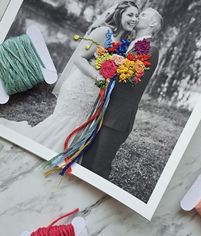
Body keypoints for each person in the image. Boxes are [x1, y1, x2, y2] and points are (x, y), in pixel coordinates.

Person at [0, 1, 139, 153]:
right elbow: (79, 58)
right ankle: (46, 151)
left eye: (137, 16)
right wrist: (97, 76)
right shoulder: (103, 32)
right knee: (66, 121)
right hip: (81, 85)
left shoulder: (124, 43)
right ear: (119, 14)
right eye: (130, 15)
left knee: (79, 124)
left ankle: (63, 153)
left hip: (95, 91)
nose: (134, 19)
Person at [81, 8, 163, 179]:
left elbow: (131, 79)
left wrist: (108, 65)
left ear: (153, 23)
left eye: (143, 15)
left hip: (117, 118)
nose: (138, 17)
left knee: (99, 166)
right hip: (103, 110)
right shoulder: (128, 43)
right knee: (86, 159)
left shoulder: (151, 50)